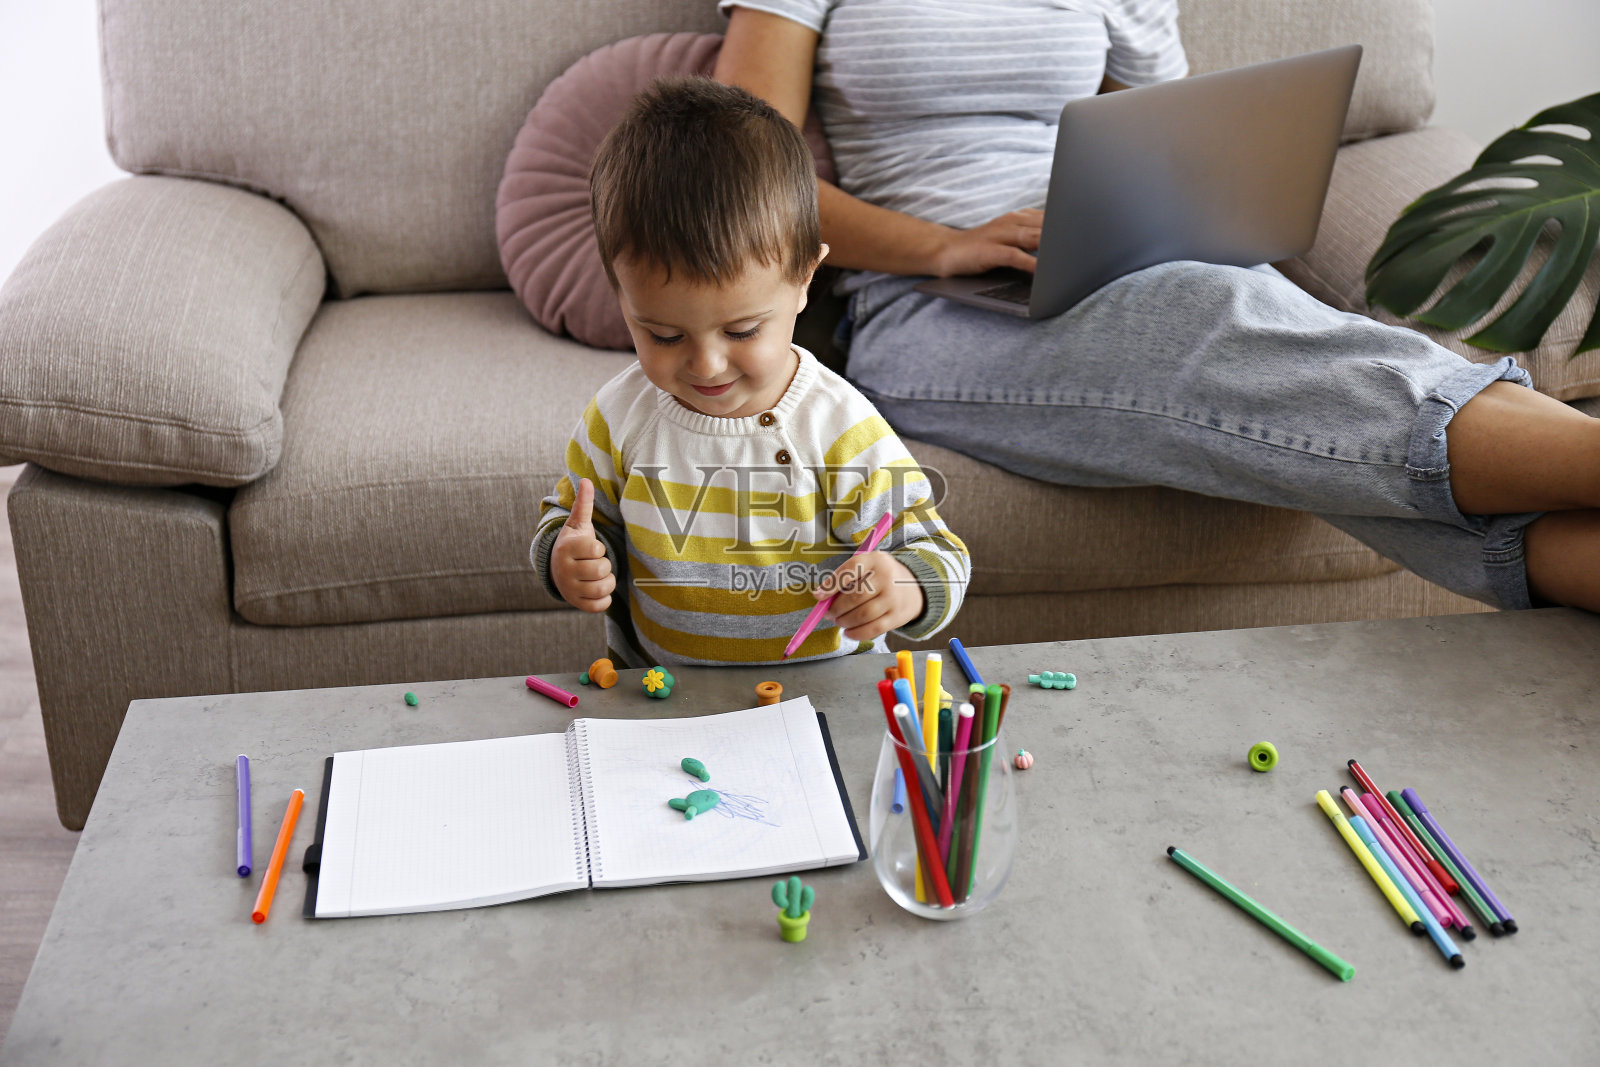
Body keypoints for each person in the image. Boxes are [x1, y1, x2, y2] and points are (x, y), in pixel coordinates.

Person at [713, 0, 1600, 613]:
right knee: (1214, 317)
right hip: (926, 304)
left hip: (1115, 260)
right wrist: (943, 245)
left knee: (1249, 336)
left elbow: (1179, 134)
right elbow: (744, 171)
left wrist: (1178, 217)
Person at [531, 77, 971, 667]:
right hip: (664, 693)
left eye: (741, 331)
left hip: (827, 693)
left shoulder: (838, 425)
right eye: (664, 335)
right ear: (621, 297)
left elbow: (939, 552)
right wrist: (569, 559)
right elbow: (571, 521)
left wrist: (907, 585)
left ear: (805, 278)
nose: (706, 364)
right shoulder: (618, 417)